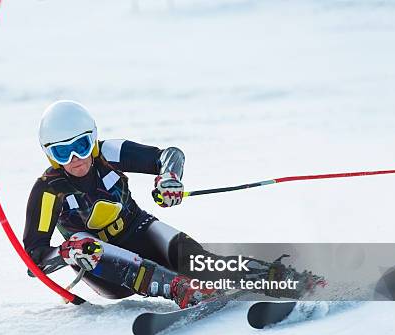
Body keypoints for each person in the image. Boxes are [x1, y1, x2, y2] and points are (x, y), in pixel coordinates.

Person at [23, 100, 323, 308]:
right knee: (82, 243)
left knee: (196, 259)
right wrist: (64, 253)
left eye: (81, 146)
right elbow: (34, 259)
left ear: (94, 138)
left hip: (137, 231)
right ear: (49, 154)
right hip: (107, 272)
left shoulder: (108, 153)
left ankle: (280, 278)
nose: (75, 159)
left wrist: (168, 179)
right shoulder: (48, 189)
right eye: (63, 153)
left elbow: (170, 154)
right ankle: (180, 289)